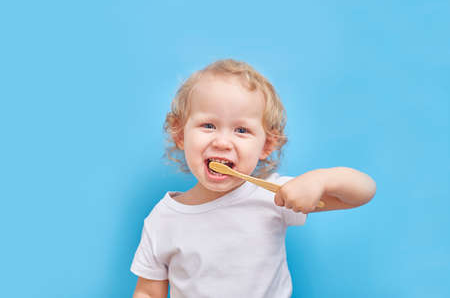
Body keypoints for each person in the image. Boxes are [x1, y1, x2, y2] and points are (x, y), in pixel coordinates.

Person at [131, 59, 376, 298]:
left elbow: (364, 191)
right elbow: (149, 292)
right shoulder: (162, 219)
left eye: (241, 130)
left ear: (266, 145)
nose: (222, 142)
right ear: (180, 133)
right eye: (208, 125)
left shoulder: (274, 196)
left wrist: (320, 180)